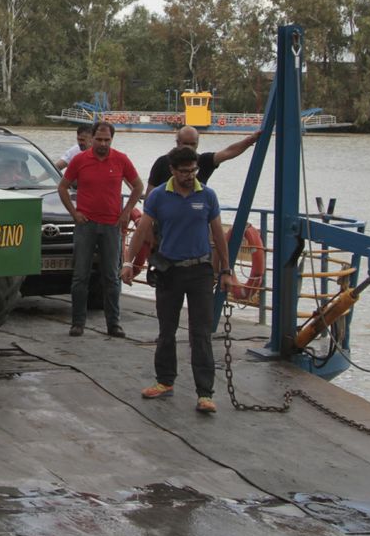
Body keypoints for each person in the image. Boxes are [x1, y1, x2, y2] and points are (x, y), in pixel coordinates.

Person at [122, 144, 235, 415]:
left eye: (193, 170)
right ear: (172, 170)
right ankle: (164, 381)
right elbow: (142, 229)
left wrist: (227, 271)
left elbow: (218, 234)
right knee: (167, 330)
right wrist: (128, 261)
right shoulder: (159, 196)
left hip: (200, 271)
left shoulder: (207, 196)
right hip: (169, 271)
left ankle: (205, 393)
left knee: (201, 333)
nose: (189, 175)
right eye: (184, 171)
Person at [56, 121, 143, 339]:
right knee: (80, 276)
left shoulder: (121, 159)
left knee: (111, 277)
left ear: (111, 140)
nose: (103, 144)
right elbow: (63, 187)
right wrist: (74, 213)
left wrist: (127, 211)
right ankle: (78, 323)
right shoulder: (80, 160)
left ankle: (113, 324)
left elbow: (138, 186)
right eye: (99, 139)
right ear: (92, 138)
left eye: (107, 140)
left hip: (112, 225)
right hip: (86, 225)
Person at [146, 126, 259, 191]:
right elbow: (150, 195)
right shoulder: (162, 162)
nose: (189, 147)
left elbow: (229, 152)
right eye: (185, 143)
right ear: (177, 142)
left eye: (192, 144)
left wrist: (250, 140)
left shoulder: (204, 161)